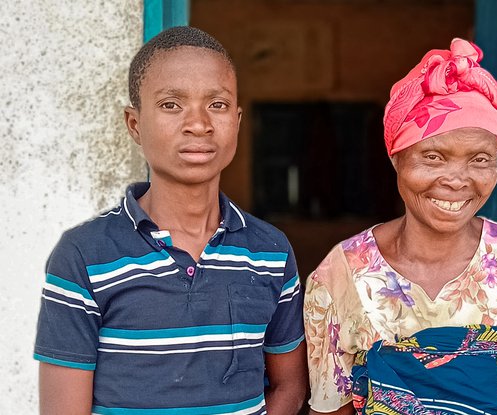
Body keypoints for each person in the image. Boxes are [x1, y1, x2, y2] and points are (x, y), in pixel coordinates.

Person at [304, 38, 497, 415]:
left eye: (480, 159)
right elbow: (331, 408)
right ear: (396, 159)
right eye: (433, 156)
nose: (457, 180)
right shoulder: (341, 275)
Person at [34, 26, 307, 415]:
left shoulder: (271, 252)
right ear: (134, 125)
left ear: (238, 121)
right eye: (171, 105)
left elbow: (289, 385)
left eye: (218, 105)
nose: (199, 124)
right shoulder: (84, 255)